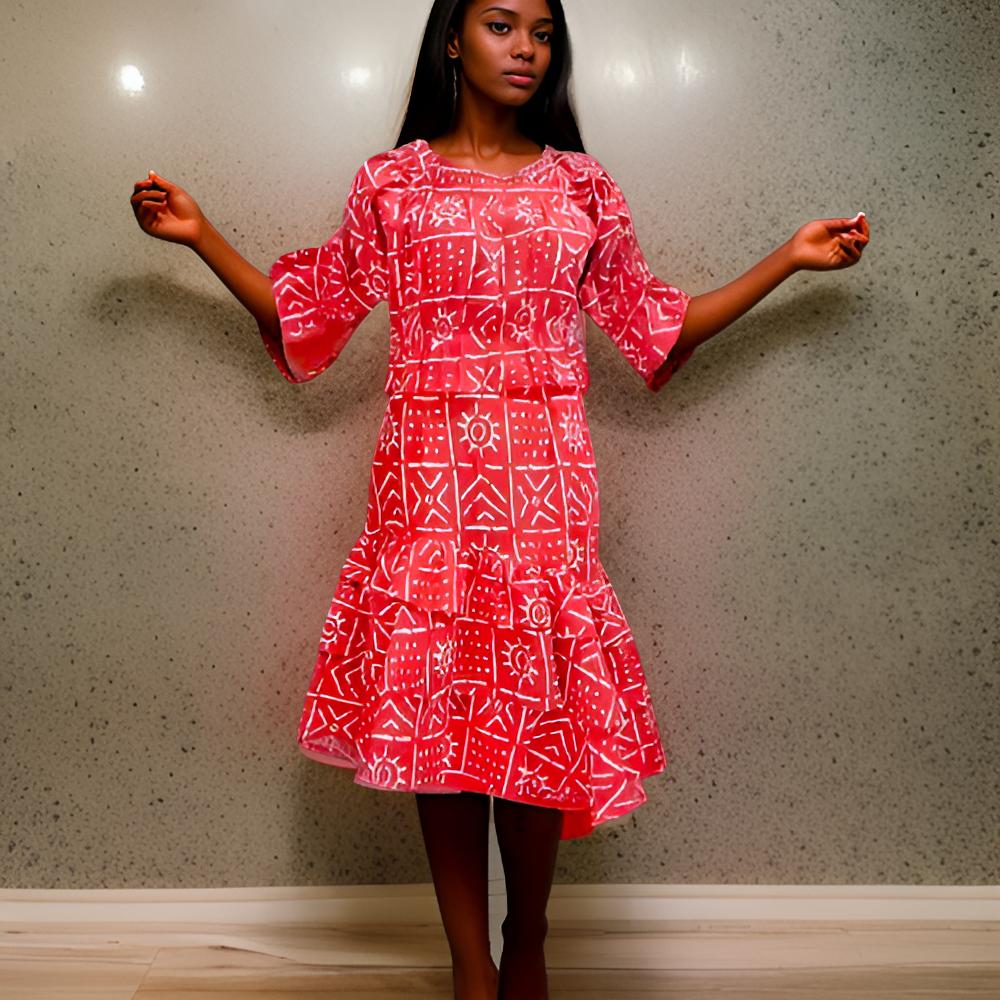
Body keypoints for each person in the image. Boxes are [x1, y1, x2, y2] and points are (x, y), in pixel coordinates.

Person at [130, 1, 869, 996]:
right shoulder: (391, 182)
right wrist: (200, 236)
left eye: (543, 33)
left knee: (534, 713)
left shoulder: (579, 185)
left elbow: (658, 326)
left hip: (544, 478)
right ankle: (471, 966)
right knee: (438, 717)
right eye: (501, 25)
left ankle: (530, 940)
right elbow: (313, 311)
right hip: (424, 479)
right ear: (452, 39)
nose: (525, 48)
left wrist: (788, 258)